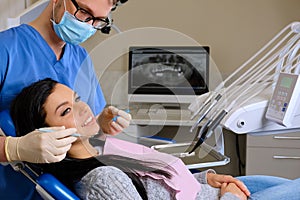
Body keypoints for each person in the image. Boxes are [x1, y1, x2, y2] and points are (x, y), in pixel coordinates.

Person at [11, 78, 300, 200]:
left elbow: (157, 185)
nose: (84, 109)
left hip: (208, 190)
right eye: (66, 111)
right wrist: (231, 196)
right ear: (43, 135)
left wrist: (206, 179)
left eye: (77, 99)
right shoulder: (103, 179)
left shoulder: (100, 150)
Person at [0, 0, 130, 199]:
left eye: (98, 21)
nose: (88, 25)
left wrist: (101, 125)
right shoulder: (5, 50)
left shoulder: (80, 57)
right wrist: (12, 149)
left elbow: (86, 140)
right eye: (84, 13)